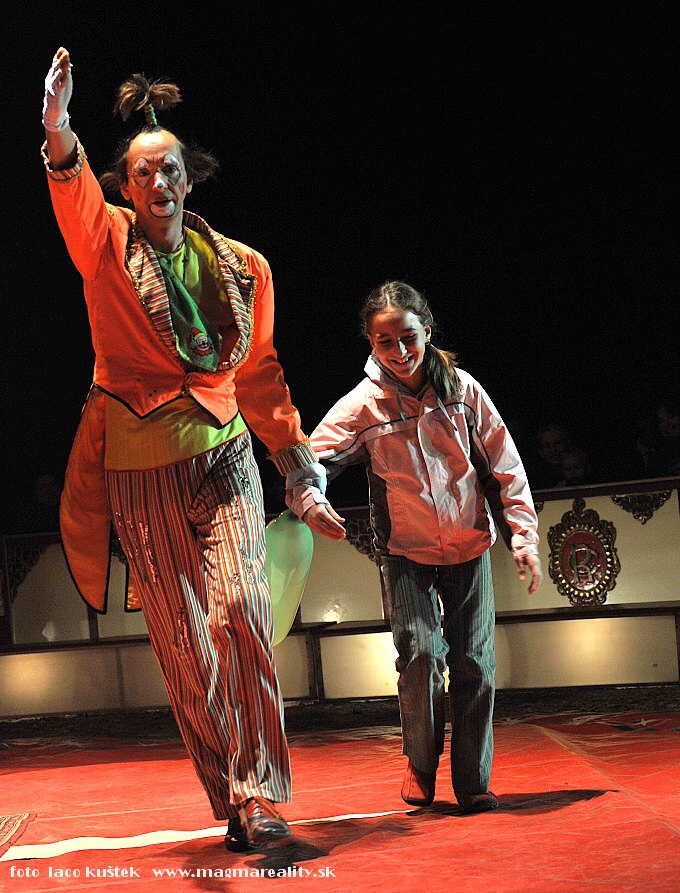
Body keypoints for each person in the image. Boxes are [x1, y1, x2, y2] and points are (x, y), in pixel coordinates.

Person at [41, 48, 327, 850]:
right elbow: (74, 198)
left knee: (242, 608)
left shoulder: (243, 266)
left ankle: (260, 791)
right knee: (183, 644)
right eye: (142, 174)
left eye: (169, 169)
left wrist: (297, 469)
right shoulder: (105, 246)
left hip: (225, 455)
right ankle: (233, 797)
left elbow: (261, 374)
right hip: (139, 471)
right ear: (125, 188)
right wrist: (58, 127)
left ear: (189, 179)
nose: (158, 182)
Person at [287, 281, 542, 812]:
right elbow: (310, 458)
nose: (399, 351)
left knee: (474, 664)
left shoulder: (462, 390)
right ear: (370, 342)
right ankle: (421, 763)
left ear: (426, 331)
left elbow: (505, 464)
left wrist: (523, 536)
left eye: (408, 337)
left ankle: (472, 781)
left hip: (468, 543)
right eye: (385, 341)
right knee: (422, 657)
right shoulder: (364, 404)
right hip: (404, 551)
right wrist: (310, 501)